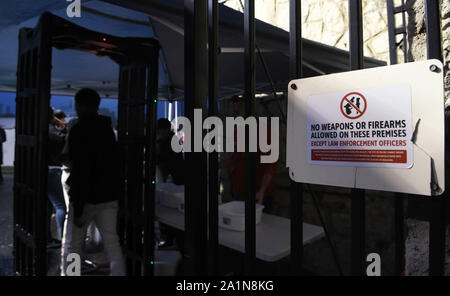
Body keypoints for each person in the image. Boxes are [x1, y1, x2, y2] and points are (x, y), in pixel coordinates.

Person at [63, 88, 125, 276]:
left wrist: (79, 207)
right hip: (108, 195)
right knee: (112, 243)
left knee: (74, 244)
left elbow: (82, 169)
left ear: (80, 105)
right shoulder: (107, 130)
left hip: (87, 197)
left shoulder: (78, 130)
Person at [220, 95, 277, 213]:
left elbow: (270, 166)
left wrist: (262, 191)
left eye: (240, 106)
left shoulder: (262, 133)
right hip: (239, 192)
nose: (236, 110)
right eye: (235, 105)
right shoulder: (237, 131)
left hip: (257, 195)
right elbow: (236, 159)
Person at [47, 109, 67, 244]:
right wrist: (63, 127)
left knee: (49, 207)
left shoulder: (42, 128)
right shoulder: (52, 130)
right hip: (54, 169)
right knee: (61, 206)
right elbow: (63, 141)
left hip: (47, 169)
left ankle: (47, 238)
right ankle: (63, 237)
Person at [156, 118, 185, 185]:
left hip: (174, 177)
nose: (157, 131)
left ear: (165, 130)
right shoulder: (164, 140)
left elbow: (167, 158)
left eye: (158, 129)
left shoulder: (171, 141)